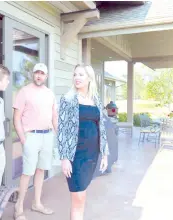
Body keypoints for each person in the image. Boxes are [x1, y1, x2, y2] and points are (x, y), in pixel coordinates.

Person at [57, 64, 109, 220]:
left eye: (81, 75)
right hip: (75, 155)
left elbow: (102, 127)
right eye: (75, 74)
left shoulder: (96, 99)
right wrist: (64, 158)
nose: (77, 78)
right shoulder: (68, 99)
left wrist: (105, 154)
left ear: (89, 79)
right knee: (78, 197)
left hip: (92, 154)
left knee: (82, 195)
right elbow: (62, 130)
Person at [13, 63, 58, 220]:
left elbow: (54, 116)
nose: (39, 75)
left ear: (46, 76)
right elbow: (16, 118)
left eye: (42, 73)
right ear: (33, 74)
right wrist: (23, 138)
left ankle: (36, 203)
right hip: (31, 136)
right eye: (37, 73)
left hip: (47, 136)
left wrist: (57, 134)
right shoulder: (24, 92)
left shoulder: (50, 93)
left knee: (41, 170)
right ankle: (19, 207)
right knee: (27, 172)